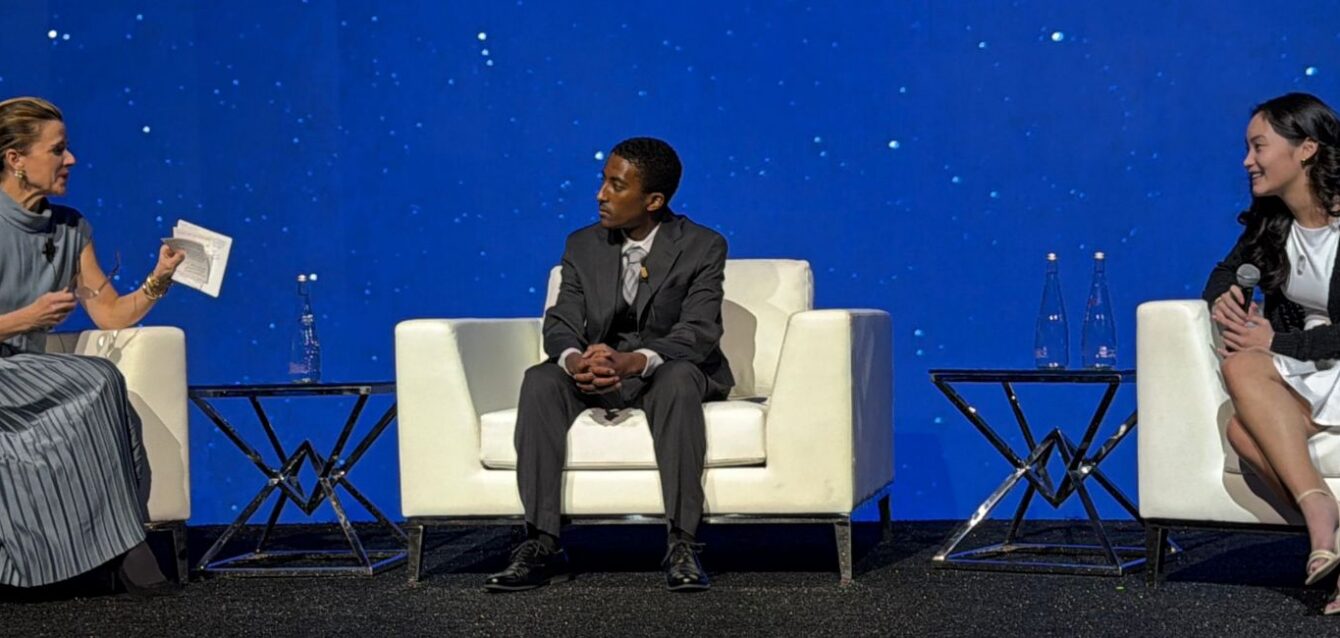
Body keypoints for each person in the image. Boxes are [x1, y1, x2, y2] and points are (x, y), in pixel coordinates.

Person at [484, 137, 732, 592]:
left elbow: (699, 330)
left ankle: (683, 543)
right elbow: (560, 322)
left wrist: (635, 360)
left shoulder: (702, 245)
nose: (601, 195)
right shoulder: (582, 245)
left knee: (679, 379)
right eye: (603, 182)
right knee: (540, 379)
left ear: (653, 201)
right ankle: (541, 542)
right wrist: (576, 360)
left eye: (616, 186)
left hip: (662, 368)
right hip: (599, 369)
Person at [0, 97, 185, 596]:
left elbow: (110, 314)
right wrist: (25, 319)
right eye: (57, 150)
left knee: (100, 390)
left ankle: (110, 549)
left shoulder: (70, 228)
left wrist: (160, 278)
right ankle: (125, 552)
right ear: (16, 159)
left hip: (26, 376)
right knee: (97, 379)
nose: (71, 159)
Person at [1205, 92, 1340, 614]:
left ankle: (1324, 532)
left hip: (1326, 357)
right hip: (1312, 366)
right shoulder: (1274, 220)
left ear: (1306, 149)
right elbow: (1224, 272)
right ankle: (1321, 515)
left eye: (1258, 146)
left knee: (1245, 426)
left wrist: (1277, 343)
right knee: (1241, 403)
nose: (1247, 161)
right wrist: (1225, 299)